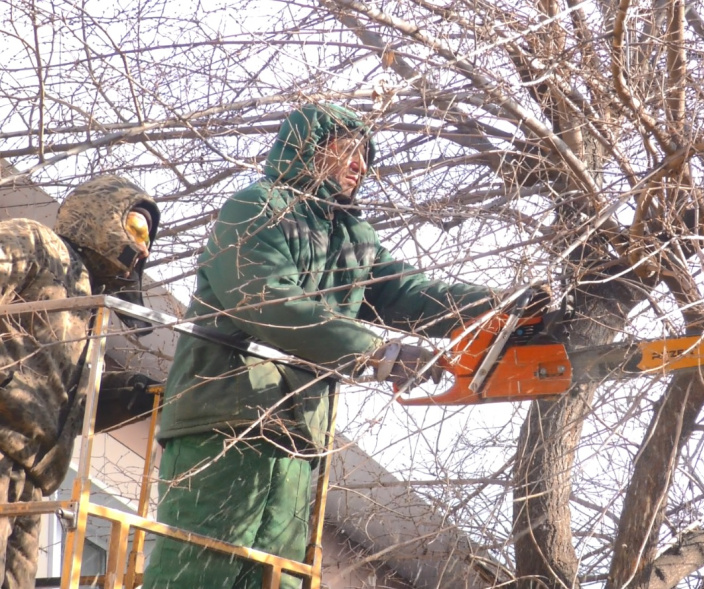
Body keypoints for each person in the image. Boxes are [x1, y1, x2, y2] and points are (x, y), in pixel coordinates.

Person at [144, 102, 518, 589]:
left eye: (366, 155)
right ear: (307, 150)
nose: (360, 165)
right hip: (224, 419)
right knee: (200, 571)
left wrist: (496, 306)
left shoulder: (349, 236)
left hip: (297, 436)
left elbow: (402, 291)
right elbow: (266, 300)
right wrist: (372, 352)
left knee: (279, 576)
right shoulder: (255, 208)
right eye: (348, 150)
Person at [0, 175, 160, 588]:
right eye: (136, 228)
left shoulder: (93, 314)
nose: (141, 247)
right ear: (102, 214)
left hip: (32, 484)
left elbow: (63, 410)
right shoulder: (37, 244)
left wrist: (127, 399)